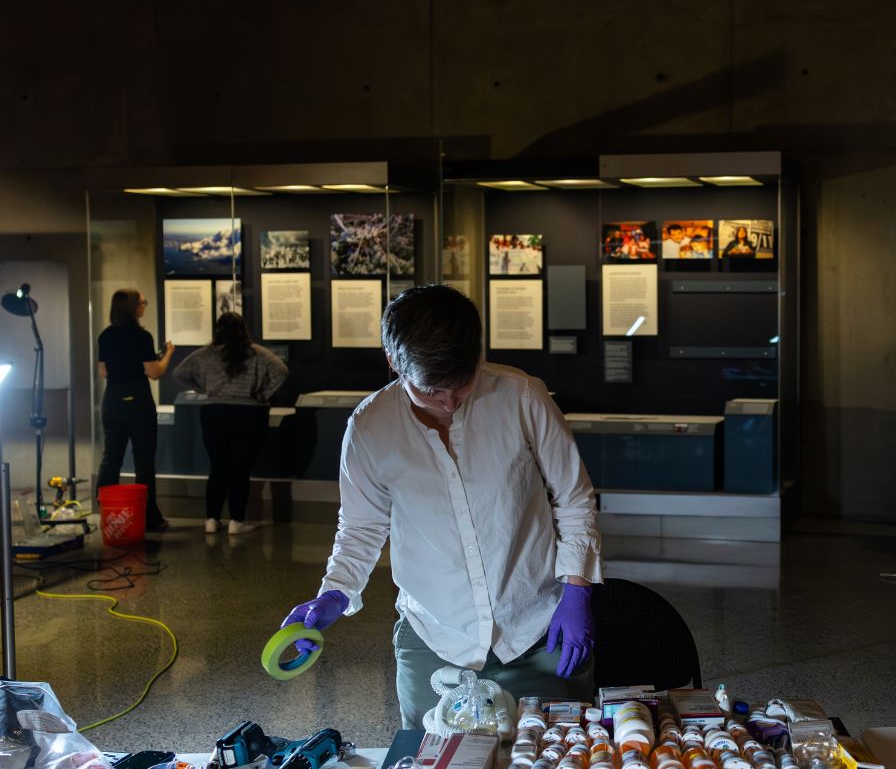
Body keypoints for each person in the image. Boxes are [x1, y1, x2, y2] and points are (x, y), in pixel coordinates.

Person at [281, 285, 601, 726]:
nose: (449, 404)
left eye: (461, 386)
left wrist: (578, 589)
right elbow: (361, 527)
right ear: (394, 363)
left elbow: (573, 497)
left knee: (554, 768)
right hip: (434, 639)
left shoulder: (522, 397)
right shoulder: (370, 427)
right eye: (431, 391)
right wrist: (334, 592)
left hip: (539, 628)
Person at [171, 312, 289, 538]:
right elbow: (281, 371)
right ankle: (236, 521)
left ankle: (211, 520)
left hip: (215, 413)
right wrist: (263, 394)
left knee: (217, 468)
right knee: (240, 469)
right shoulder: (256, 353)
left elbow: (179, 374)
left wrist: (204, 390)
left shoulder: (206, 354)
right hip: (249, 414)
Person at [96, 288, 173, 531]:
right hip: (138, 401)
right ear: (133, 307)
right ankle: (149, 518)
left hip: (112, 400)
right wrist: (168, 354)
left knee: (111, 458)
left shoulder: (105, 335)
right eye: (143, 302)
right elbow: (154, 373)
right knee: (143, 461)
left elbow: (103, 372)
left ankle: (107, 512)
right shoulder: (142, 337)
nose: (144, 306)